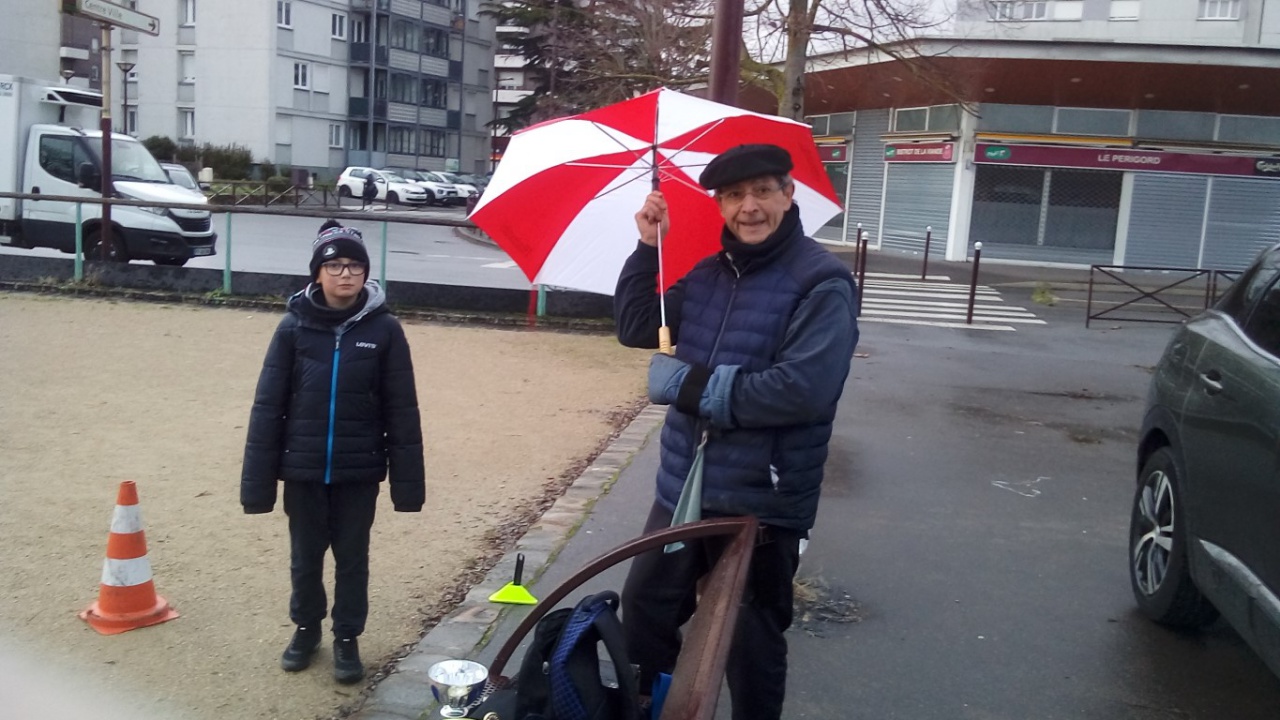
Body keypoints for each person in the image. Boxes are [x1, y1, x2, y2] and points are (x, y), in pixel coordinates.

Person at [613, 144, 859, 720]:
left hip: (762, 499)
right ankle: (654, 708)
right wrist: (649, 247)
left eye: (762, 191)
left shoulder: (822, 283)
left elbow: (803, 389)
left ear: (787, 194)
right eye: (732, 195)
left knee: (748, 644)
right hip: (684, 489)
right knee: (646, 611)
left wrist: (690, 387)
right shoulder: (706, 274)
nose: (748, 207)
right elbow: (635, 327)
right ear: (720, 205)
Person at [240, 224, 425, 684]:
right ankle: (306, 629)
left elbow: (402, 411)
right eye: (335, 265)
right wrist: (257, 487)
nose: (346, 274)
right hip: (302, 469)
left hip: (357, 471)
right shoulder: (293, 329)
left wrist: (408, 487)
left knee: (352, 558)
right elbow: (268, 409)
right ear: (317, 273)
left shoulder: (385, 331)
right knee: (305, 558)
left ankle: (347, 636)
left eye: (355, 265)